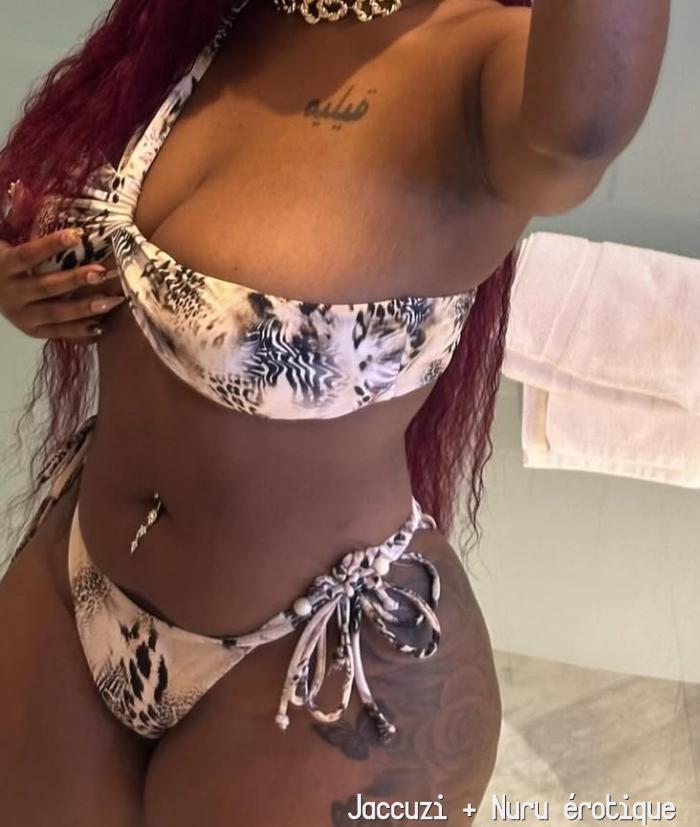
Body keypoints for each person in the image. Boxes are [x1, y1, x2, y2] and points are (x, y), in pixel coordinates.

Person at [0, 0, 669, 824]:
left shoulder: (486, 64)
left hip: (320, 669)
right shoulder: (219, 22)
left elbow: (581, 131)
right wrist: (27, 282)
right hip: (73, 582)